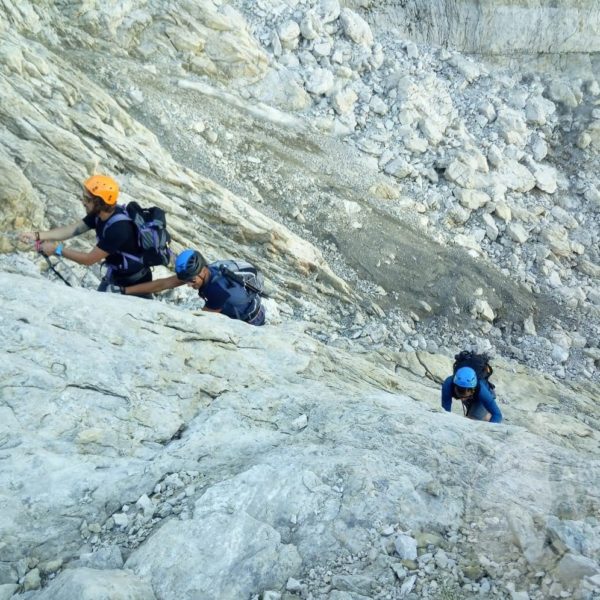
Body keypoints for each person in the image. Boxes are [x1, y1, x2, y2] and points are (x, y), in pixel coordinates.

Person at [21, 175, 152, 296]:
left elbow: (89, 260)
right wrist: (37, 235)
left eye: (87, 199)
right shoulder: (99, 214)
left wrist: (57, 249)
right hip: (117, 276)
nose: (83, 202)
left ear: (100, 202)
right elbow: (73, 230)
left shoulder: (119, 229)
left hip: (136, 284)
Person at [121, 249, 266, 326]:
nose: (189, 285)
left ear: (202, 271)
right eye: (186, 280)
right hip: (248, 305)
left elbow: (199, 322)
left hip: (252, 320)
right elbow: (163, 284)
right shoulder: (206, 270)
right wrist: (125, 291)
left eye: (191, 280)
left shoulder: (216, 290)